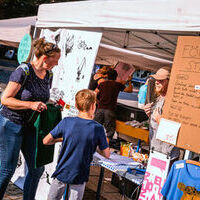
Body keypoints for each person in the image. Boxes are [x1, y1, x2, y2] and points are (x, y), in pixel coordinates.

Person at [0, 38, 61, 200]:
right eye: (55, 60)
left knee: (37, 169)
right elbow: (5, 99)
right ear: (45, 58)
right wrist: (30, 105)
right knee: (7, 170)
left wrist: (50, 103)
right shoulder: (23, 70)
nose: (56, 64)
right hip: (11, 124)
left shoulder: (49, 74)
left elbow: (38, 96)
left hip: (31, 127)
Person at [43, 89, 110, 200]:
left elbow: (46, 141)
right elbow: (106, 154)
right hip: (80, 174)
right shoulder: (97, 128)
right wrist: (95, 144)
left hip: (62, 171)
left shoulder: (67, 121)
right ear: (93, 106)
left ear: (76, 105)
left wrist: (62, 139)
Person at [144, 66, 179, 158]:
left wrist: (160, 120)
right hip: (155, 150)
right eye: (156, 79)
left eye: (161, 80)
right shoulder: (159, 98)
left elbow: (176, 130)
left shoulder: (173, 102)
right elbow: (156, 122)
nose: (157, 82)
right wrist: (149, 114)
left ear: (170, 82)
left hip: (166, 155)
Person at [94, 69, 133, 141]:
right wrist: (130, 81)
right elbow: (129, 90)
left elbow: (94, 94)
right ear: (116, 77)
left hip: (100, 109)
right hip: (110, 110)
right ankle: (105, 147)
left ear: (107, 76)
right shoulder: (117, 85)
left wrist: (98, 102)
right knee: (109, 133)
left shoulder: (102, 84)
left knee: (94, 129)